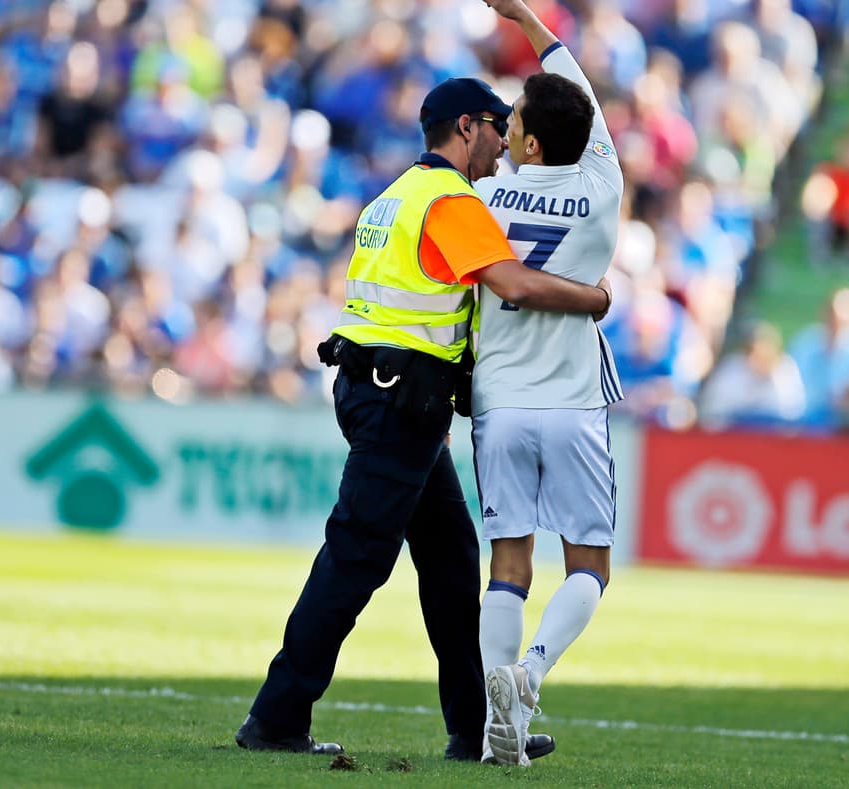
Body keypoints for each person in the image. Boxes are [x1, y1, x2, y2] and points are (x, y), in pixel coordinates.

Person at [235, 56, 613, 758]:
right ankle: (276, 717)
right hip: (399, 397)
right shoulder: (452, 202)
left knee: (449, 559)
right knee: (355, 557)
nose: (505, 142)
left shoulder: (395, 196)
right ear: (465, 127)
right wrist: (596, 299)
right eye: (497, 128)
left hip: (381, 385)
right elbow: (514, 287)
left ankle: (474, 730)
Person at [468, 0, 624, 767]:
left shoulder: (486, 197)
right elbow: (581, 99)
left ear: (527, 140)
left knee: (508, 561)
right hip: (572, 403)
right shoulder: (603, 185)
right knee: (590, 563)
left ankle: (502, 723)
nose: (506, 122)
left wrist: (513, 18)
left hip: (499, 398)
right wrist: (526, 16)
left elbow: (565, 104)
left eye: (515, 115)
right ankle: (528, 676)